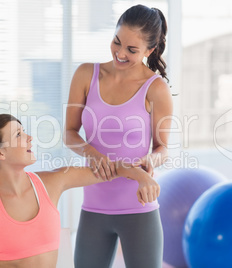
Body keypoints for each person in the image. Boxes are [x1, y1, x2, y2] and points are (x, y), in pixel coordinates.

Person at [0, 114, 159, 268]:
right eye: (18, 135)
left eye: (24, 131)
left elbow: (110, 169)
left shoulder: (51, 182)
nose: (29, 138)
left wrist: (141, 176)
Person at [64, 4, 173, 268]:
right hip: (94, 204)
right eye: (116, 42)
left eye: (131, 50)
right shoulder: (85, 75)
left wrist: (150, 161)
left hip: (138, 204)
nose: (120, 53)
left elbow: (163, 148)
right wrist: (92, 153)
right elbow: (69, 133)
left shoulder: (156, 88)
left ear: (150, 50)